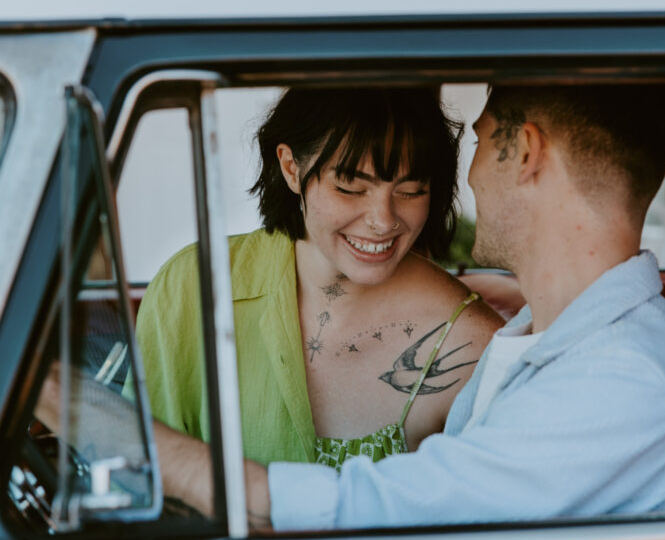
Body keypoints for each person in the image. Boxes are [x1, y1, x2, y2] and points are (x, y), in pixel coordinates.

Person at [243, 82, 665, 531]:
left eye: (478, 144)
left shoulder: (622, 379)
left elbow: (393, 515)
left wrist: (186, 468)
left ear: (524, 153)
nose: (469, 179)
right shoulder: (552, 337)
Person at [135, 87, 501, 475]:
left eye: (411, 191)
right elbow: (146, 478)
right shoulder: (194, 288)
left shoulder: (471, 343)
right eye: (350, 188)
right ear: (291, 169)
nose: (384, 220)